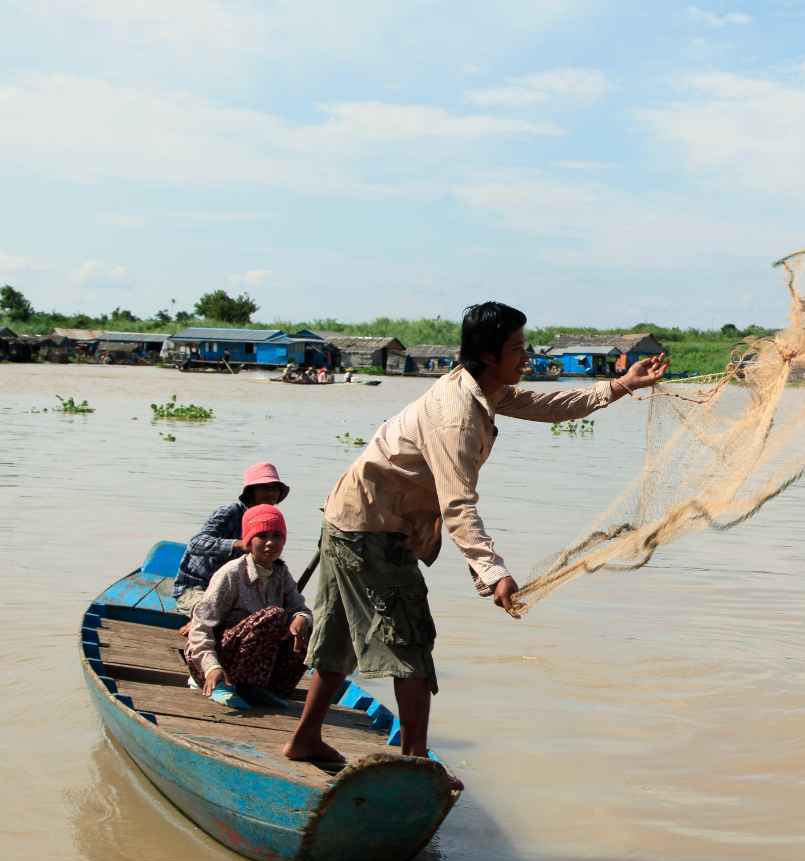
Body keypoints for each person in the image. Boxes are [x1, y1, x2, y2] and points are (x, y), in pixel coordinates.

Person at [283, 301, 667, 768]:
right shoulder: (457, 416)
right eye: (517, 349)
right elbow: (457, 504)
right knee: (411, 646)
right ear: (488, 355)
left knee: (340, 638)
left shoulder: (483, 387)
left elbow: (546, 405)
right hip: (372, 530)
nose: (526, 357)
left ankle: (305, 739)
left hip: (352, 517)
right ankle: (414, 764)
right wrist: (492, 570)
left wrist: (621, 386)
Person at [185, 505, 312, 708]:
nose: (270, 543)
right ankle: (227, 686)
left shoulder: (281, 573)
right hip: (220, 664)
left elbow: (301, 608)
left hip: (257, 668)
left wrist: (301, 618)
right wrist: (211, 667)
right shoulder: (232, 573)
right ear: (248, 541)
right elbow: (200, 628)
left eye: (277, 536)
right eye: (262, 536)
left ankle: (265, 689)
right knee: (273, 616)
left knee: (310, 627)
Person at [173, 462, 290, 622]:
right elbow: (196, 543)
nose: (270, 493)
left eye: (274, 488)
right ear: (251, 492)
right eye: (264, 488)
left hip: (234, 589)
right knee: (208, 614)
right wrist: (239, 544)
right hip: (198, 587)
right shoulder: (231, 512)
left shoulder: (271, 520)